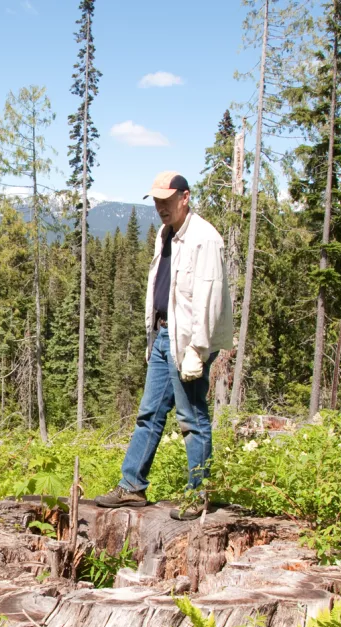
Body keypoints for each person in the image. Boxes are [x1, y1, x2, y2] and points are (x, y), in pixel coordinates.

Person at [95, 171, 233, 518]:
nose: (161, 207)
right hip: (162, 335)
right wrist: (151, 336)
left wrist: (197, 350)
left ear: (185, 197)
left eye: (167, 200)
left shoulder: (205, 239)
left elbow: (209, 300)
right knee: (149, 414)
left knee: (192, 416)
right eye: (157, 201)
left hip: (187, 341)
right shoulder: (165, 234)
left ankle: (197, 496)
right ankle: (132, 488)